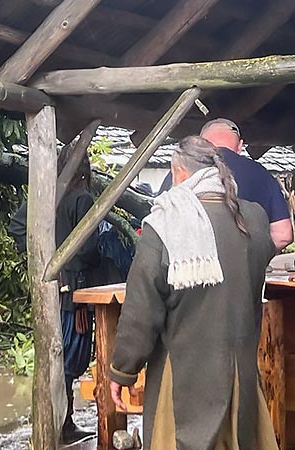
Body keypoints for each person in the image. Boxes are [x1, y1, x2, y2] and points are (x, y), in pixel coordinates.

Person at [109, 136, 278, 450]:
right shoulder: (253, 219)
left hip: (184, 378)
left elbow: (141, 310)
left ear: (179, 172)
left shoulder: (166, 222)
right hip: (240, 372)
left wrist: (123, 371)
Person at [8, 144, 100, 444]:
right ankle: (62, 424)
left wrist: (45, 261)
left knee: (54, 358)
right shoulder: (83, 199)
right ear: (84, 168)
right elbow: (87, 250)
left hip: (49, 290)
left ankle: (60, 422)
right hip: (76, 294)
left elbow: (17, 226)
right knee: (71, 360)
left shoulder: (46, 196)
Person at [159, 118, 292, 251]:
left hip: (189, 266)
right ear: (240, 146)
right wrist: (254, 260)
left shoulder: (178, 172)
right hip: (242, 270)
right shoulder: (262, 175)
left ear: (200, 144)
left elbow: (159, 227)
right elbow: (283, 235)